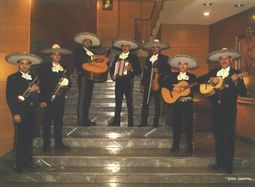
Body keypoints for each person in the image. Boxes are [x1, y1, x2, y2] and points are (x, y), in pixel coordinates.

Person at [198, 48, 247, 173]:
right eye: (221, 58)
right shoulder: (214, 72)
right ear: (219, 60)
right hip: (216, 110)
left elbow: (243, 92)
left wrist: (236, 82)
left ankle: (228, 164)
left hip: (230, 111)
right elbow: (199, 80)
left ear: (230, 60)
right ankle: (219, 162)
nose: (224, 60)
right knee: (218, 137)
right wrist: (210, 80)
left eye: (226, 58)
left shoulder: (237, 73)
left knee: (229, 138)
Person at [5, 52, 42, 173]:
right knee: (19, 139)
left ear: (30, 65)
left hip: (32, 112)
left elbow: (37, 96)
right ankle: (17, 164)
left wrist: (37, 91)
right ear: (18, 65)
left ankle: (28, 162)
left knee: (29, 138)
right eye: (22, 63)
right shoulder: (12, 78)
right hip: (20, 113)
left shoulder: (35, 77)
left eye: (27, 64)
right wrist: (15, 113)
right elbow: (10, 97)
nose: (24, 66)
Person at [39, 44, 72, 153]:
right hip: (47, 98)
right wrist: (42, 100)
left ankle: (59, 143)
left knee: (59, 122)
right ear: (51, 56)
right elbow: (41, 84)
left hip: (60, 99)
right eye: (55, 54)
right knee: (46, 123)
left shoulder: (65, 68)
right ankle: (46, 145)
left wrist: (66, 85)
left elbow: (69, 83)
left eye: (59, 54)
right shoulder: (44, 67)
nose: (57, 56)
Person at [168, 55, 198, 154]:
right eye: (180, 64)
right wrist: (173, 88)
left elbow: (196, 88)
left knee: (189, 126)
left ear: (187, 66)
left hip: (188, 103)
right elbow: (163, 83)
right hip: (176, 103)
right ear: (178, 66)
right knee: (176, 125)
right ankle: (175, 145)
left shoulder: (193, 77)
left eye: (185, 64)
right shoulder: (172, 76)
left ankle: (190, 147)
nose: (182, 66)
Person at [108, 38, 141, 127]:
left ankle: (130, 122)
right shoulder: (117, 57)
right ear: (121, 48)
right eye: (123, 46)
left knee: (129, 102)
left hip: (128, 81)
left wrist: (132, 69)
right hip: (118, 81)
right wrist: (112, 75)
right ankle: (116, 121)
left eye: (126, 46)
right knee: (118, 101)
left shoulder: (133, 57)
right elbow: (112, 68)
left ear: (129, 47)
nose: (124, 47)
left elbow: (138, 70)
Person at [139, 39, 171, 127]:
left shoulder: (165, 59)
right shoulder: (148, 59)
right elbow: (145, 73)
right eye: (153, 47)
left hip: (158, 83)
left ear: (159, 48)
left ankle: (156, 122)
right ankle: (143, 121)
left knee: (157, 103)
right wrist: (142, 83)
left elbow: (168, 72)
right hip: (148, 83)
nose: (154, 49)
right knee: (145, 103)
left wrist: (159, 71)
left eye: (156, 47)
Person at [73, 32, 101, 126]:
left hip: (90, 77)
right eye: (86, 41)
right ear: (83, 42)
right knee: (83, 98)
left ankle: (86, 119)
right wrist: (92, 58)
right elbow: (81, 60)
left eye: (89, 42)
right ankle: (80, 120)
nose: (88, 43)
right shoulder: (79, 50)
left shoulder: (91, 53)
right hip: (83, 76)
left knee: (88, 99)